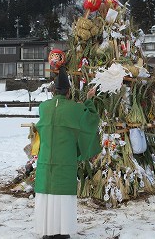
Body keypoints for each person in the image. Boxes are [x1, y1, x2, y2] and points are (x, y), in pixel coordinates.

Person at [34, 66, 101, 239]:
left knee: (46, 195)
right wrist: (88, 100)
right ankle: (62, 232)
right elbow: (91, 119)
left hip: (45, 161)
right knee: (62, 196)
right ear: (68, 92)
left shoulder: (43, 107)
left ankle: (46, 231)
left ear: (54, 90)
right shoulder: (75, 109)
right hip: (65, 160)